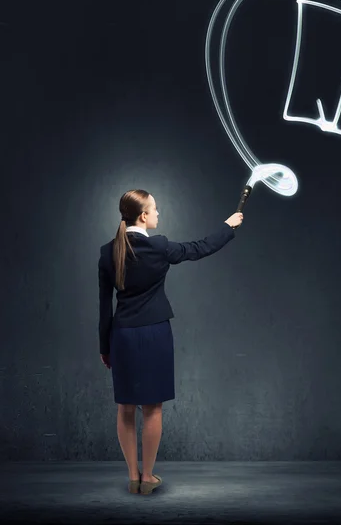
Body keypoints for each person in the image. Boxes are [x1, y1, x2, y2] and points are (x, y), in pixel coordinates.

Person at [98, 189, 244, 494]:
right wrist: (228, 227)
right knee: (152, 408)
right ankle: (148, 476)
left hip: (122, 336)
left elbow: (104, 307)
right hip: (155, 334)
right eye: (155, 209)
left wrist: (105, 347)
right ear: (143, 216)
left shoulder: (107, 252)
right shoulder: (160, 247)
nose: (158, 213)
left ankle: (132, 475)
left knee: (125, 408)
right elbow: (199, 248)